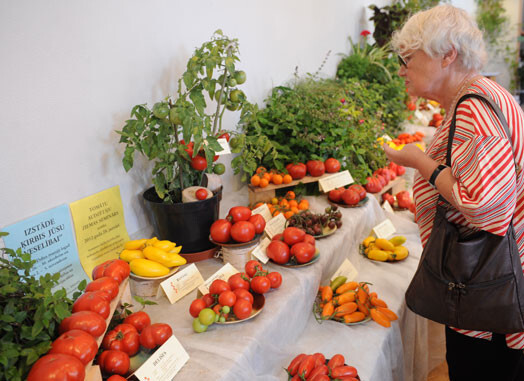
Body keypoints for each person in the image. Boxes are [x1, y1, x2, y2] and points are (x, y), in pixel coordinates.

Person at [384, 4, 524, 381]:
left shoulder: (474, 110)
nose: (401, 69)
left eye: (409, 58)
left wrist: (419, 161)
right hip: (489, 284)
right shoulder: (477, 96)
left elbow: (485, 207)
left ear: (447, 55)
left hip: (489, 296)